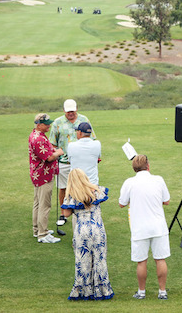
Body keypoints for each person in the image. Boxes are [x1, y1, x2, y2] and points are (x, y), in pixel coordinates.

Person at [119, 154, 170, 301]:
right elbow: (166, 201)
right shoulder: (158, 180)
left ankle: (141, 292)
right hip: (158, 227)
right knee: (160, 259)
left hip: (139, 228)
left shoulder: (129, 182)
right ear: (148, 166)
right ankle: (162, 291)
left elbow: (122, 203)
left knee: (141, 261)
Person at [61, 168, 113, 300]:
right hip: (97, 229)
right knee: (100, 260)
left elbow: (65, 214)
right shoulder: (96, 190)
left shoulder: (72, 196)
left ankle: (84, 291)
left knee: (82, 261)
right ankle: (102, 290)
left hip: (82, 231)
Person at [50, 98, 94, 225]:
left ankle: (85, 210)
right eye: (68, 111)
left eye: (73, 111)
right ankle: (63, 214)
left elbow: (92, 138)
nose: (71, 113)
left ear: (76, 109)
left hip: (81, 162)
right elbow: (52, 143)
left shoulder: (84, 120)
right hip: (64, 162)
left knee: (83, 187)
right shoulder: (57, 123)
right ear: (64, 110)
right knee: (63, 188)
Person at [29, 113, 64, 243]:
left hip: (38, 174)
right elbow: (48, 158)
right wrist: (58, 153)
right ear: (39, 125)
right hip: (44, 175)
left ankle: (37, 229)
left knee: (38, 202)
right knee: (45, 204)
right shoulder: (39, 139)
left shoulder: (35, 135)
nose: (49, 126)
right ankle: (42, 234)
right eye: (46, 124)